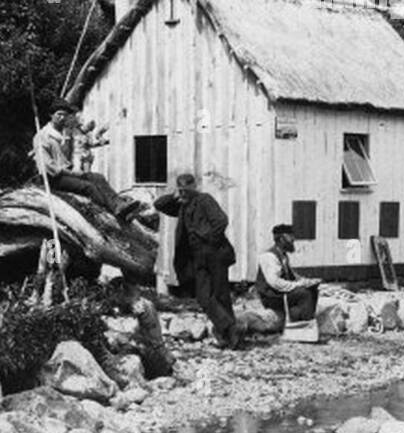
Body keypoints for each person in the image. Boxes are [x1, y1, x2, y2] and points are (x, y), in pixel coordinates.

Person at [154, 173, 242, 349]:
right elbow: (159, 204)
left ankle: (230, 338)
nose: (184, 194)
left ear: (195, 187)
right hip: (197, 258)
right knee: (203, 297)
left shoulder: (204, 200)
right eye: (181, 190)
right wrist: (175, 195)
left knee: (221, 295)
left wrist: (208, 239)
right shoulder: (181, 205)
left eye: (187, 190)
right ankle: (229, 327)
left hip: (215, 254)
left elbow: (221, 221)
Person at [32, 101, 141, 222]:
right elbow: (48, 167)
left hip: (68, 172)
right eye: (59, 114)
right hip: (53, 177)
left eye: (65, 115)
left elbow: (76, 150)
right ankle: (109, 212)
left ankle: (119, 205)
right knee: (88, 187)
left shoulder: (66, 134)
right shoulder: (43, 136)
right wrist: (73, 173)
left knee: (98, 178)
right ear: (51, 115)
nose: (62, 118)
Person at [256, 224, 320, 323]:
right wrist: (298, 285)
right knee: (304, 294)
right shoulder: (269, 256)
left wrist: (307, 282)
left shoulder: (283, 256)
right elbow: (275, 282)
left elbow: (293, 276)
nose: (293, 239)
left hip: (279, 293)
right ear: (282, 239)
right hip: (271, 296)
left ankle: (306, 320)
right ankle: (301, 325)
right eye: (290, 236)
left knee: (312, 289)